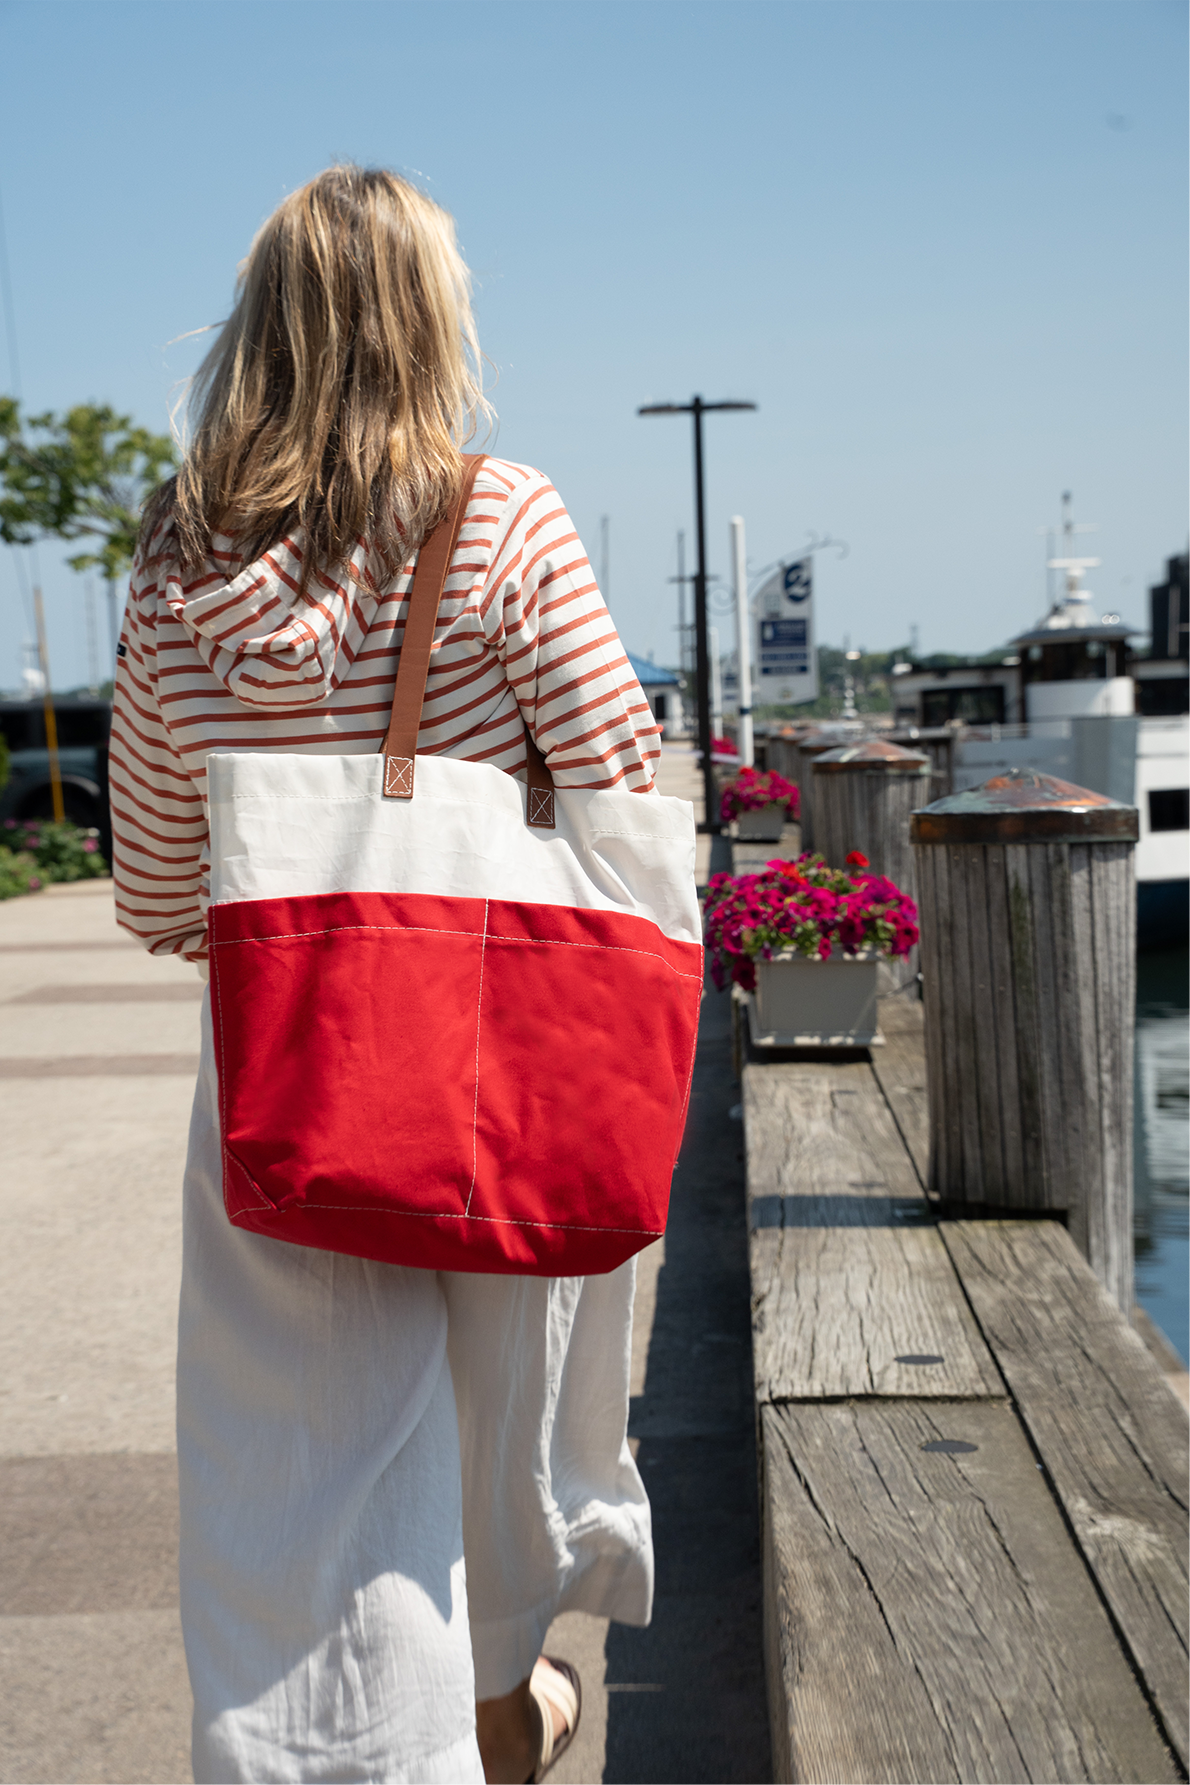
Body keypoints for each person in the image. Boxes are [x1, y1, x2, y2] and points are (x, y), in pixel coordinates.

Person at [110, 164, 664, 1784]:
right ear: (430, 319)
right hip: (503, 1058)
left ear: (260, 328)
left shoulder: (172, 564)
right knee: (505, 1431)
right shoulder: (502, 519)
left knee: (298, 1482)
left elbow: (156, 890)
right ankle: (505, 1704)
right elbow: (623, 800)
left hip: (287, 1075)